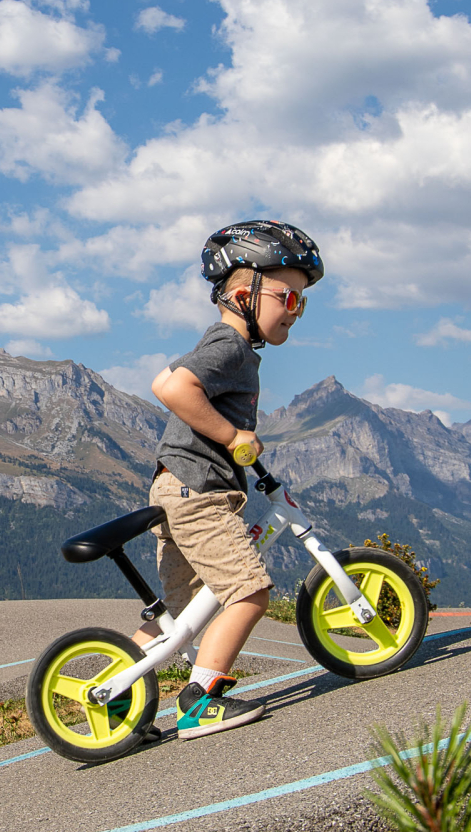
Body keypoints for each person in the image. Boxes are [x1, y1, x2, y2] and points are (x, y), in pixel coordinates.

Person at [135, 220, 323, 739]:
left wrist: (230, 440)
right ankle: (199, 703)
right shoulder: (231, 346)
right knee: (249, 591)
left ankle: (121, 695)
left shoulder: (225, 345)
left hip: (177, 486)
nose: (296, 311)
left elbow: (170, 383)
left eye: (301, 302)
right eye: (289, 297)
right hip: (199, 493)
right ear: (244, 294)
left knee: (183, 614)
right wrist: (233, 434)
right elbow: (172, 389)